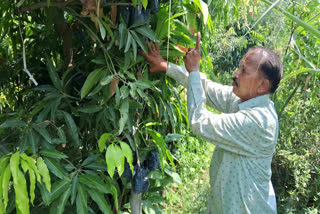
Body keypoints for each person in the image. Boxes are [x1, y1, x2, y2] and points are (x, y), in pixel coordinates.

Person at [139, 32, 283, 214]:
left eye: (244, 71)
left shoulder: (259, 121)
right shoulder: (245, 101)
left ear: (262, 85)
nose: (236, 73)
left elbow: (200, 122)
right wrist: (167, 66)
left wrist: (195, 72)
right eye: (239, 67)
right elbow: (206, 88)